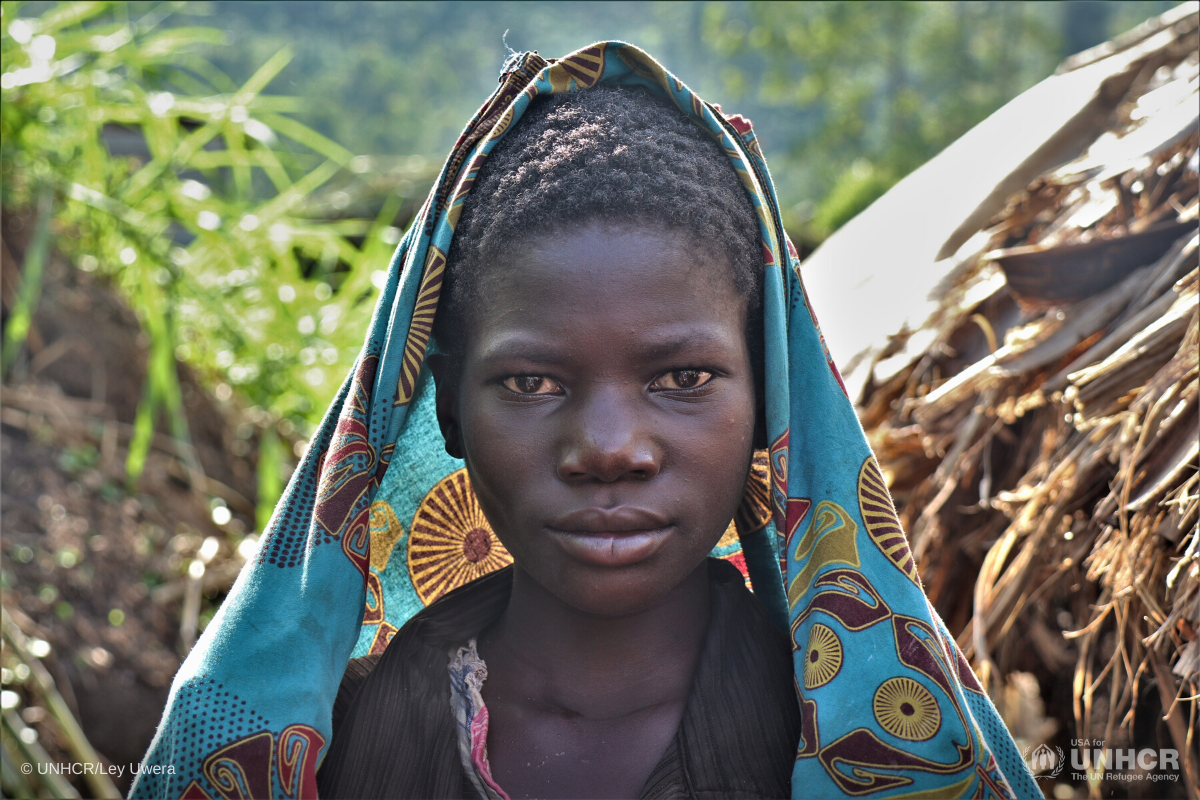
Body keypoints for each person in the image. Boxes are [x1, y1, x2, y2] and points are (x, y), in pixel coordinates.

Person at [133, 44, 1040, 800]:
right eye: (532, 383)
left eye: (683, 377)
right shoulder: (342, 740)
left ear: (770, 401)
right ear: (447, 407)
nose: (610, 449)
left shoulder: (869, 740)